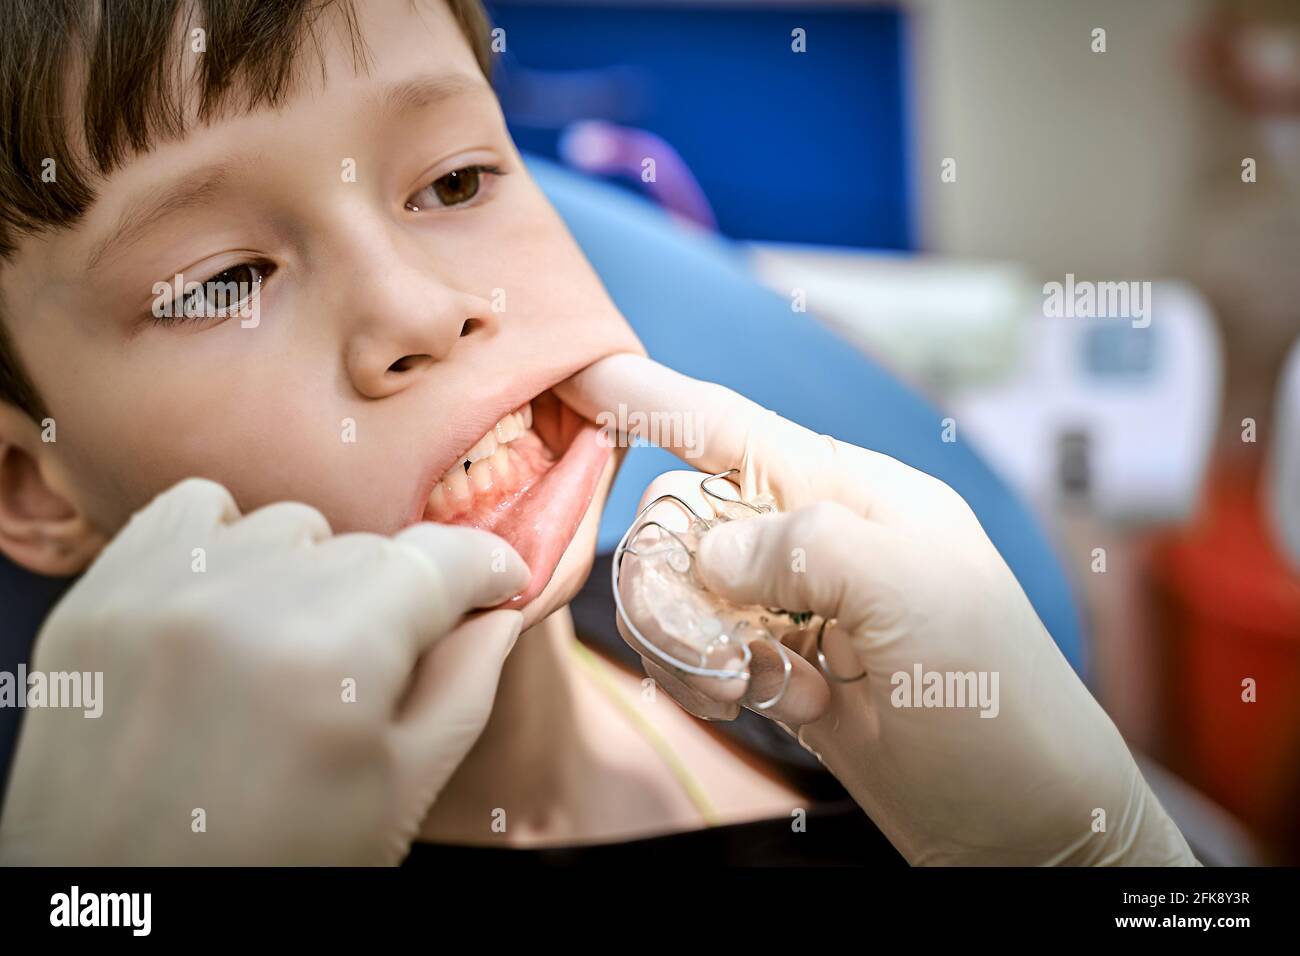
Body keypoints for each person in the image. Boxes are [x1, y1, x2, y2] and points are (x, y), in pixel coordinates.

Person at [0, 0, 1195, 865]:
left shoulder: (795, 668)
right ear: (30, 483)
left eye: (457, 182)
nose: (422, 308)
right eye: (218, 281)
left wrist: (1101, 854)